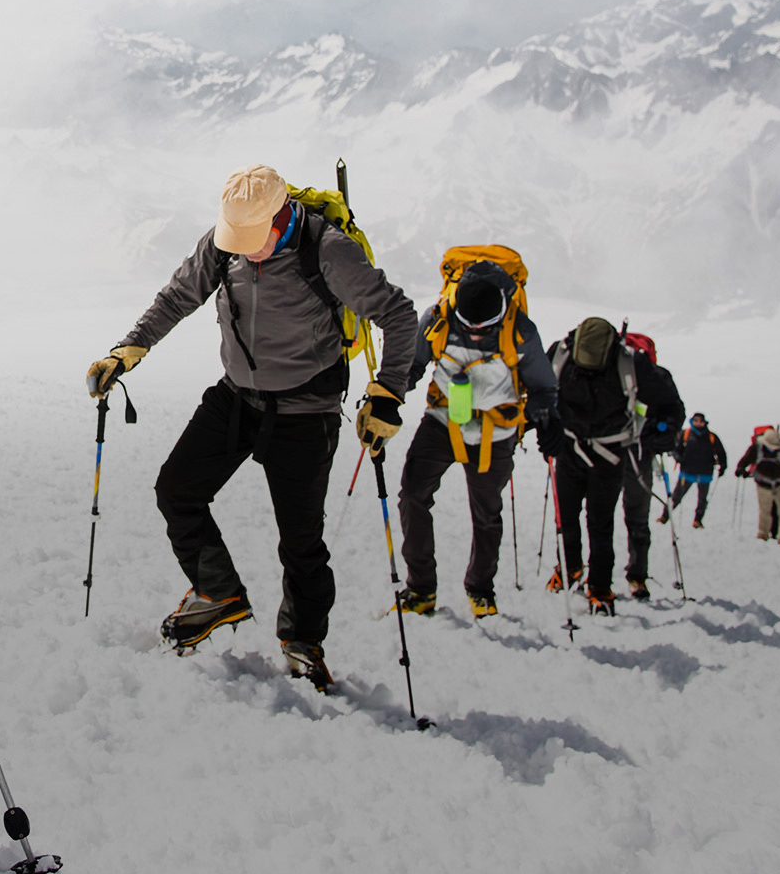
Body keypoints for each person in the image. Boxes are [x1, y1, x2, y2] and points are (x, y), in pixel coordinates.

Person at [85, 165, 417, 689]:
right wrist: (130, 347)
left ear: (280, 216)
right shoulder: (225, 244)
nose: (243, 249)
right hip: (238, 398)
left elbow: (398, 316)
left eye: (252, 240)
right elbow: (178, 296)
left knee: (301, 542)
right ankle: (217, 592)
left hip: (307, 412)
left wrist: (389, 393)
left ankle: (303, 642)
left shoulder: (328, 252)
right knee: (177, 489)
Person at [395, 254, 557, 619]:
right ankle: (421, 588)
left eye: (486, 329)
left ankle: (480, 588)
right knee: (413, 497)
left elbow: (544, 387)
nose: (479, 334)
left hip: (495, 432)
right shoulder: (437, 318)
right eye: (472, 328)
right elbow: (413, 364)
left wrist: (546, 419)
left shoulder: (521, 329)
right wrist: (389, 396)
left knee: (486, 513)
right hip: (442, 422)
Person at [538, 318, 682, 616]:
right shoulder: (562, 354)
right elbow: (540, 393)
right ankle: (579, 574)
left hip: (604, 451)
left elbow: (670, 405)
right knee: (578, 518)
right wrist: (544, 429)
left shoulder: (630, 362)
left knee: (593, 520)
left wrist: (661, 434)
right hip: (579, 447)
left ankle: (594, 581)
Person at [613, 333, 683, 601]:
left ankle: (598, 575)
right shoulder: (658, 374)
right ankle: (637, 576)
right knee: (638, 517)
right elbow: (675, 410)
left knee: (600, 516)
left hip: (614, 451)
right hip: (640, 453)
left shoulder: (611, 370)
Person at [670, 413, 727, 528]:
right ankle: (665, 516)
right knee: (677, 496)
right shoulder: (685, 434)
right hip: (687, 472)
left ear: (704, 422)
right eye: (696, 421)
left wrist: (723, 466)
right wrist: (679, 458)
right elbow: (676, 449)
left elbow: (721, 453)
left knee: (702, 500)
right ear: (692, 421)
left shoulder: (712, 437)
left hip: (705, 473)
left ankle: (698, 520)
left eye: (701, 421)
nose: (698, 423)